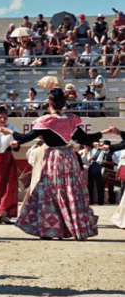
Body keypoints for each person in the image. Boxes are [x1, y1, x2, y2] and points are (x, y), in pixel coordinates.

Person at [6, 88, 110, 240]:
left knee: (50, 192)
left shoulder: (45, 121)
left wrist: (11, 134)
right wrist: (104, 133)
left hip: (53, 158)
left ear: (49, 103)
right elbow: (84, 139)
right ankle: (74, 226)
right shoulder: (71, 120)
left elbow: (26, 137)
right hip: (69, 158)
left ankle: (50, 228)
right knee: (70, 192)